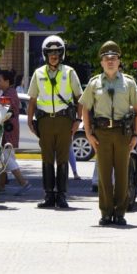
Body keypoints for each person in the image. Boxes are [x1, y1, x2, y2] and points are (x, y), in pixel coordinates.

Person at [79, 41, 137, 226]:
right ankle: (106, 212)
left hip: (123, 133)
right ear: (101, 63)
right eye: (107, 59)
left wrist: (136, 135)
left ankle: (120, 213)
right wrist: (89, 134)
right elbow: (85, 109)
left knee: (122, 174)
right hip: (102, 133)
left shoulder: (129, 83)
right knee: (104, 175)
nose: (110, 62)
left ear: (119, 61)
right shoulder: (94, 83)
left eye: (114, 59)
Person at [26, 35, 83, 209]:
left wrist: (78, 120)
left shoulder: (69, 72)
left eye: (57, 52)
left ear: (62, 54)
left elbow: (80, 98)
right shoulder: (38, 73)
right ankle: (49, 195)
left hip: (64, 120)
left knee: (63, 158)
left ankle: (62, 196)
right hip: (44, 121)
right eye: (50, 52)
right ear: (45, 54)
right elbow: (33, 100)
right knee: (47, 159)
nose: (54, 55)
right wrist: (30, 120)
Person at [0, 69, 30, 194]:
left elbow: (2, 112)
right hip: (8, 127)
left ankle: (23, 182)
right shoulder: (6, 92)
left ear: (7, 81)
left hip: (8, 128)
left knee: (6, 157)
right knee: (5, 156)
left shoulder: (8, 94)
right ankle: (0, 186)